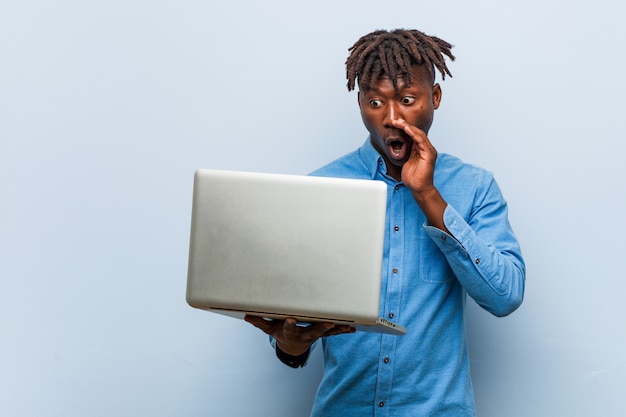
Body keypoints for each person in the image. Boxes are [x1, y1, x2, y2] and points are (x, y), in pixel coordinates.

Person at [245, 28, 525, 416]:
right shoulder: (321, 187)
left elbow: (505, 296)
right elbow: (296, 308)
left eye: (408, 100)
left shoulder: (475, 187)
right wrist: (292, 347)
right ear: (360, 103)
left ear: (436, 98)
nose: (392, 118)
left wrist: (428, 195)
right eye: (376, 101)